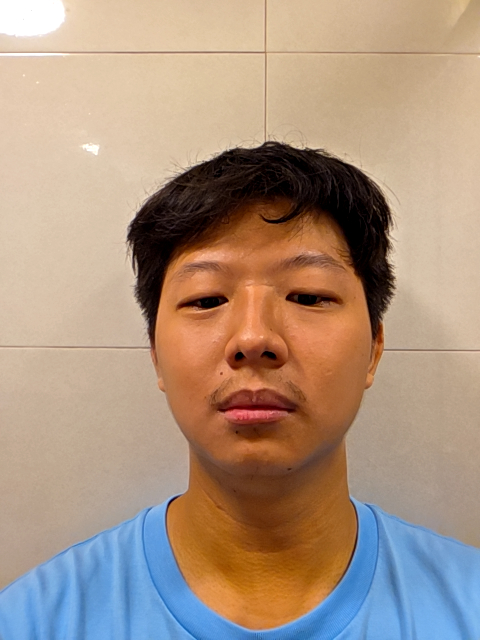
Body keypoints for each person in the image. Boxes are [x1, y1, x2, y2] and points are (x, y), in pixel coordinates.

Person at [1, 141, 479, 639]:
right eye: (207, 299)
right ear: (156, 354)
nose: (253, 338)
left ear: (374, 349)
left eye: (308, 295)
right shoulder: (34, 622)